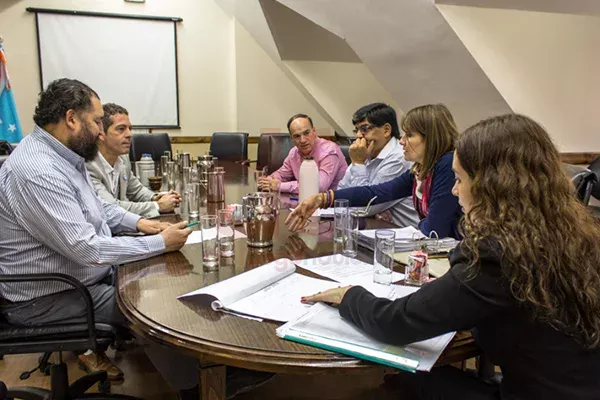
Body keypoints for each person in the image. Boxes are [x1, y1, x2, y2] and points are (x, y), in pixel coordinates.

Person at [0, 79, 271, 399]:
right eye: (97, 121)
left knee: (157, 279)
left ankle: (207, 365)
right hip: (49, 297)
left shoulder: (63, 156)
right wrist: (161, 242)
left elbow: (97, 207)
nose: (101, 131)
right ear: (71, 119)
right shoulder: (38, 169)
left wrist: (142, 223)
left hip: (76, 279)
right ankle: (198, 386)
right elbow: (85, 248)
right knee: (151, 306)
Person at [301, 114, 600, 399]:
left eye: (460, 179)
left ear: (491, 186)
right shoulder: (577, 233)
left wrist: (349, 295)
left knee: (402, 378)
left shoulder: (495, 255)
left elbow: (396, 323)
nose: (456, 191)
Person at [287, 104, 462, 239]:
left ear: (431, 138)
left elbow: (434, 229)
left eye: (409, 135)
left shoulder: (446, 165)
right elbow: (377, 192)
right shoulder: (420, 169)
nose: (402, 141)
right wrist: (323, 198)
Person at [87, 103, 181, 218]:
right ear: (101, 134)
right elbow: (111, 208)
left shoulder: (122, 158)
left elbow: (136, 190)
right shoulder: (89, 165)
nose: (129, 134)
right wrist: (158, 206)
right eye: (121, 129)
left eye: (130, 129)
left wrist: (156, 197)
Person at [337, 102, 418, 227]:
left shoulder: (399, 158)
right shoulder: (366, 153)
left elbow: (363, 207)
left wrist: (358, 163)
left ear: (386, 130)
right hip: (378, 230)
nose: (359, 136)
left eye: (365, 129)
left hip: (408, 238)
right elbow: (341, 196)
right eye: (356, 130)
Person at [258, 113, 347, 194]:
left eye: (306, 133)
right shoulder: (294, 152)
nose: (303, 140)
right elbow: (281, 174)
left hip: (335, 206)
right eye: (297, 136)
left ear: (314, 131)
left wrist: (279, 186)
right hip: (307, 202)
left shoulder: (330, 151)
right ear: (292, 139)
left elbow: (318, 187)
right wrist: (267, 182)